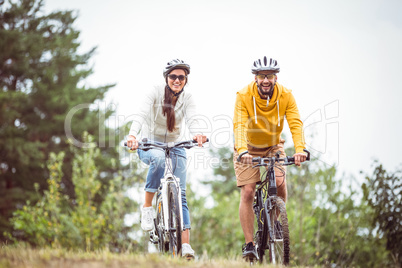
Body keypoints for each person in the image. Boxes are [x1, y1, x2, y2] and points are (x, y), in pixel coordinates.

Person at [126, 59, 207, 259]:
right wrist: (132, 136)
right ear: (166, 78)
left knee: (181, 193)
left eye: (181, 77)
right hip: (149, 144)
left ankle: (185, 245)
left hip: (175, 145)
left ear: (186, 80)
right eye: (173, 76)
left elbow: (193, 117)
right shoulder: (154, 92)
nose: (177, 80)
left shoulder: (187, 98)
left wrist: (197, 133)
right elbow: (141, 114)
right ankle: (147, 208)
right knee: (159, 160)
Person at [233, 56, 307, 260]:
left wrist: (300, 149)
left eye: (270, 76)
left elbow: (295, 123)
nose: (266, 80)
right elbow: (239, 125)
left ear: (276, 77)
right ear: (255, 78)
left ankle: (275, 220)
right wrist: (242, 151)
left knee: (281, 183)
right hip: (247, 147)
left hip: (274, 145)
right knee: (248, 192)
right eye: (261, 76)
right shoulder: (243, 95)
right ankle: (249, 245)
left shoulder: (286, 96)